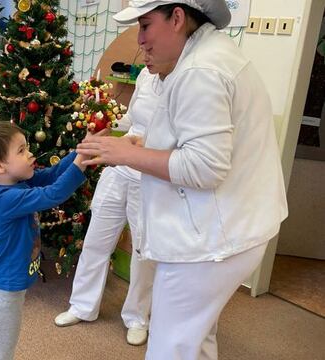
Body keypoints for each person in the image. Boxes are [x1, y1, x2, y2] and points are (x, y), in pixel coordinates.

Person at [77, 1, 289, 359]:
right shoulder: (211, 54)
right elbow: (203, 140)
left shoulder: (200, 70)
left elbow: (205, 167)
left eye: (145, 26)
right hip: (237, 226)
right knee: (196, 338)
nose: (140, 40)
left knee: (170, 346)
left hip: (212, 239)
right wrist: (142, 144)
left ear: (177, 18)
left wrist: (126, 154)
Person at [54, 51, 177, 346]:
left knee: (143, 251)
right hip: (120, 169)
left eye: (151, 51)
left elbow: (175, 140)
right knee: (96, 239)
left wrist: (135, 146)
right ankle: (82, 306)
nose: (145, 57)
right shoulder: (147, 76)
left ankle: (137, 317)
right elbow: (132, 120)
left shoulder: (183, 84)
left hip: (150, 175)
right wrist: (102, 120)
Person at [0, 122, 101, 360]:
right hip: (2, 292)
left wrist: (82, 148)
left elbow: (54, 175)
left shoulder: (15, 182)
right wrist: (82, 159)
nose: (30, 154)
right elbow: (54, 193)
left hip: (3, 287)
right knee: (3, 352)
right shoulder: (5, 197)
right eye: (21, 150)